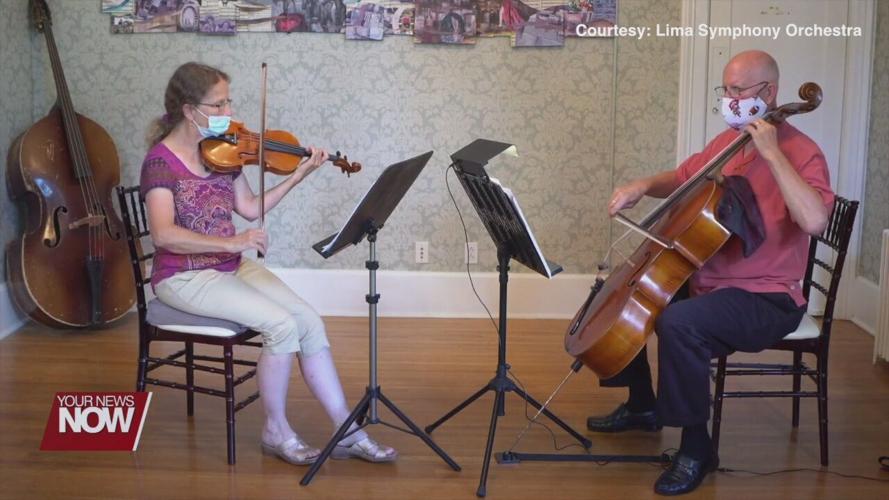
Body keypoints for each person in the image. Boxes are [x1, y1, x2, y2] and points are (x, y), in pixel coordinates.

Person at [586, 50, 834, 495]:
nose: (731, 99)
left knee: (679, 322)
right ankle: (643, 405)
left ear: (769, 93)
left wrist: (773, 155)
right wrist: (641, 187)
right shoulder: (728, 143)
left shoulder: (802, 152)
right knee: (630, 289)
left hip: (767, 297)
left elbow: (815, 221)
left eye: (740, 90)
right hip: (711, 281)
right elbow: (682, 177)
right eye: (727, 90)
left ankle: (697, 450)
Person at [140, 62, 397, 465]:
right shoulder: (160, 163)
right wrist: (235, 241)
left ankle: (347, 429)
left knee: (308, 320)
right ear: (190, 110)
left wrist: (299, 176)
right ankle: (276, 431)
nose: (229, 111)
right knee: (280, 325)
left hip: (228, 266)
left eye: (230, 100)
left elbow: (249, 206)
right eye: (219, 103)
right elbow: (163, 234)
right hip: (184, 276)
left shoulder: (221, 151)